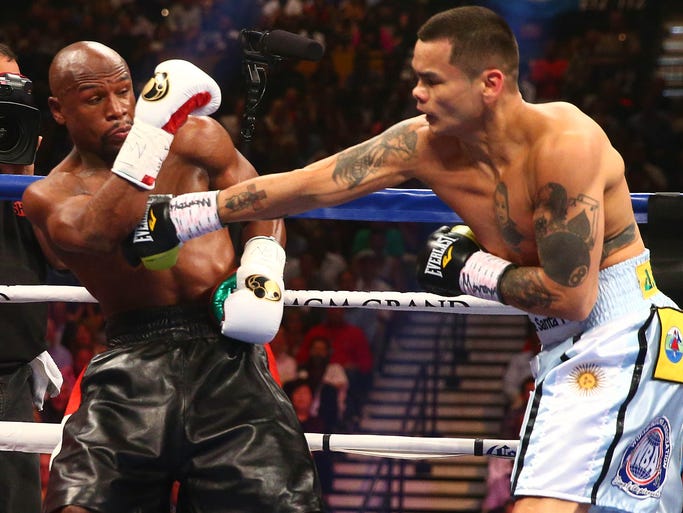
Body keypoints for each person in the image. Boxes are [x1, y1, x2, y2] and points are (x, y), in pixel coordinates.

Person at [130, 6, 683, 513]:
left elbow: (572, 295)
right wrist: (189, 214)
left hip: (617, 332)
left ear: (490, 83)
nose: (416, 92)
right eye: (416, 77)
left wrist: (471, 269)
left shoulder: (566, 144)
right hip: (585, 344)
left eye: (432, 80)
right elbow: (311, 185)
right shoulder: (423, 144)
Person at [22, 41, 323, 513]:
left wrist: (261, 267)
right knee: (77, 504)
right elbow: (99, 231)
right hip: (132, 366)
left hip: (229, 359)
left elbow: (264, 202)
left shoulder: (196, 138)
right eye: (95, 99)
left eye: (124, 91)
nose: (119, 109)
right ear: (59, 110)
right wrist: (152, 134)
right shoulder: (51, 194)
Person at [0, 43, 63, 513]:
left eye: (14, 88)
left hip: (12, 375)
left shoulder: (32, 176)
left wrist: (24, 176)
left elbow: (60, 258)